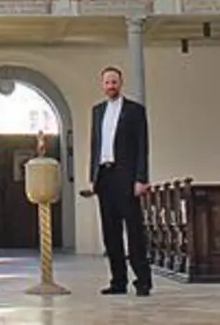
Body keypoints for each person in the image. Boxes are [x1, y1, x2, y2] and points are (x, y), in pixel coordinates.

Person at [88, 65, 152, 296]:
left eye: (114, 82)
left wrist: (141, 178)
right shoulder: (97, 111)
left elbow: (142, 146)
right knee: (110, 232)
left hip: (126, 176)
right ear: (102, 85)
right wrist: (92, 177)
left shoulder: (135, 110)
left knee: (133, 230)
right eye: (107, 82)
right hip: (104, 176)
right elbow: (95, 145)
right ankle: (118, 281)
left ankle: (143, 281)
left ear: (120, 83)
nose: (110, 86)